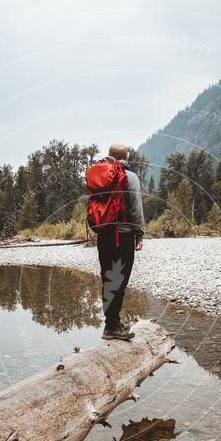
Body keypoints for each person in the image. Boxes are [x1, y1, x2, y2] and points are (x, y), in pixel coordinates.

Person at [96, 143, 144, 341]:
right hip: (122, 235)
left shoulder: (99, 175)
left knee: (108, 278)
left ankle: (111, 324)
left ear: (109, 156)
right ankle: (112, 327)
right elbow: (135, 208)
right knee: (120, 280)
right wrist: (139, 234)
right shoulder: (130, 177)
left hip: (103, 235)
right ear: (127, 156)